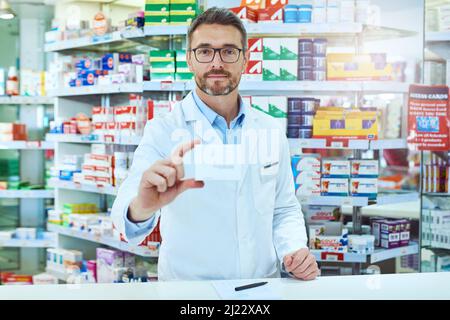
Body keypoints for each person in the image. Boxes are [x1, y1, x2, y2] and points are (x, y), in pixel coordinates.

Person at [111, 7, 319, 281]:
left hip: (260, 286)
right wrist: (142, 206)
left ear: (245, 59)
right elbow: (125, 211)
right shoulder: (164, 129)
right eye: (205, 51)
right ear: (189, 59)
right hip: (190, 291)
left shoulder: (270, 128)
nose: (216, 63)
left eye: (229, 51)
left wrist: (293, 250)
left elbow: (284, 207)